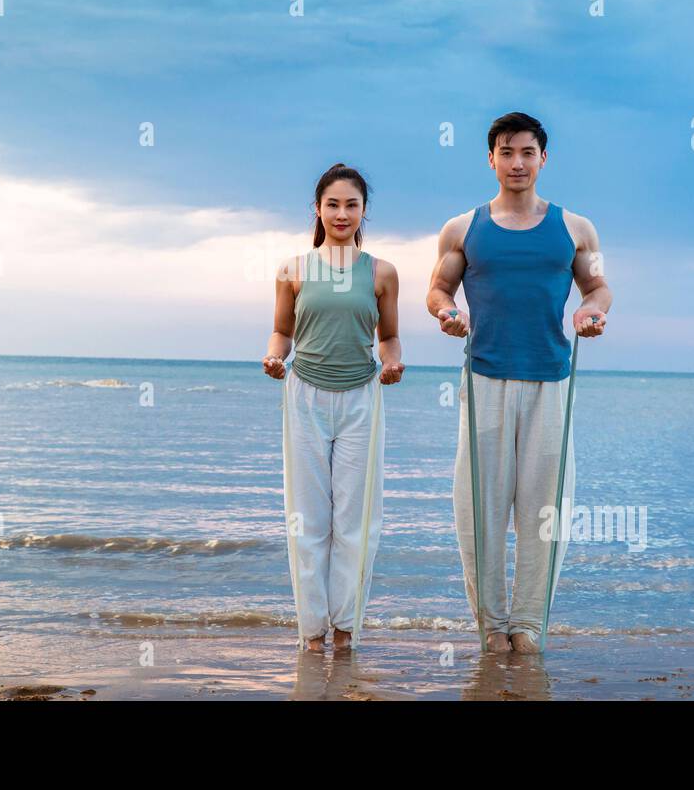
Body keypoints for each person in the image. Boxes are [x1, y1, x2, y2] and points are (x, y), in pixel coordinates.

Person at [426, 112, 613, 654]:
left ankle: (529, 624)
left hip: (550, 380)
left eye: (527, 152)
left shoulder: (578, 229)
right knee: (479, 510)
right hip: (484, 378)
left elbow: (599, 287)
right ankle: (491, 626)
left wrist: (591, 315)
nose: (517, 163)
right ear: (491, 158)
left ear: (543, 159)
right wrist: (447, 314)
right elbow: (438, 288)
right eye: (506, 152)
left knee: (543, 509)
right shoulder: (462, 228)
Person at [263, 163, 405, 652]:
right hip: (304, 396)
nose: (341, 214)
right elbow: (282, 331)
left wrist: (394, 364)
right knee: (308, 519)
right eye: (332, 204)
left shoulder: (381, 272)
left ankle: (345, 629)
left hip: (362, 397)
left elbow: (388, 338)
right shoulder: (292, 269)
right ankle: (311, 633)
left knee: (355, 520)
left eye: (352, 205)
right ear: (317, 209)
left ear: (364, 211)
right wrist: (274, 357)